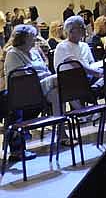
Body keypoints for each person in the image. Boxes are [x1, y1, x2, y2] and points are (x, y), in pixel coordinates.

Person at [1, 24, 61, 161]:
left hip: (41, 86)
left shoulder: (34, 52)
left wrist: (46, 76)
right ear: (23, 38)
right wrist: (46, 77)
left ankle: (62, 132)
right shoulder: (13, 53)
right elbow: (21, 77)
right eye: (32, 37)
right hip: (24, 91)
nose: (35, 40)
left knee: (57, 91)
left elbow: (45, 69)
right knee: (59, 80)